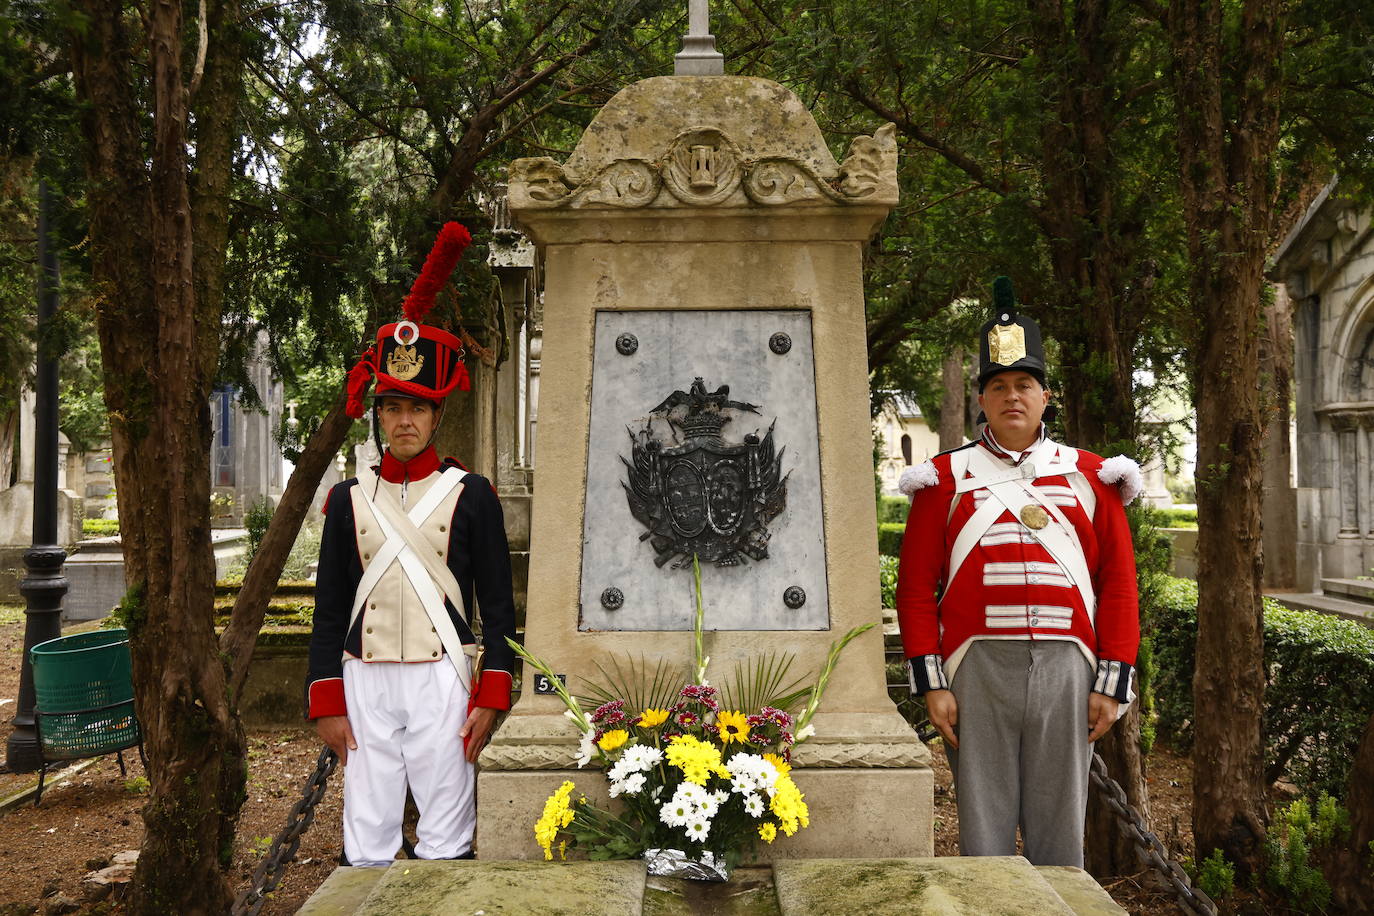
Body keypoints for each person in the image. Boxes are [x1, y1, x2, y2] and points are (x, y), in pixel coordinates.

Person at [894, 276, 1141, 868]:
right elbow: (914, 591)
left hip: (1066, 665)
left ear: (1045, 396)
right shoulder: (943, 480)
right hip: (977, 667)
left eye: (1024, 384)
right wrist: (933, 682)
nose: (1012, 396)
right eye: (999, 386)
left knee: (1061, 837)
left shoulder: (1091, 477)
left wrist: (1111, 684)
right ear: (982, 400)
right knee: (983, 830)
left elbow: (1119, 586)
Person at [305, 222, 517, 867]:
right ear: (378, 414)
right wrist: (325, 699)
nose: (404, 420)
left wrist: (492, 694)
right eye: (392, 406)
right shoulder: (348, 499)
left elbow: (500, 606)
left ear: (436, 416)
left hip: (444, 676)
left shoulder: (472, 492)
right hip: (363, 678)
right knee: (365, 835)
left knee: (447, 832)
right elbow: (330, 605)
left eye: (417, 409)